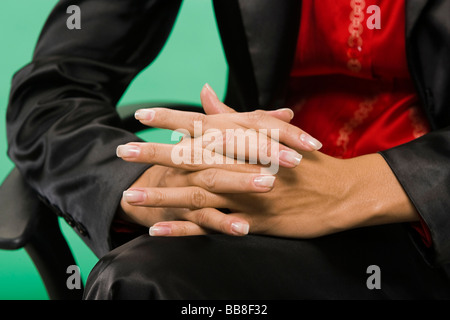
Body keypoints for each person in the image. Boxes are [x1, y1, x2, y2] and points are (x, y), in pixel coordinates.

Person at [6, 0, 450, 299]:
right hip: (268, 224)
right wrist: (145, 184)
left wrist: (353, 186)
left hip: (431, 228)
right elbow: (51, 93)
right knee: (142, 283)